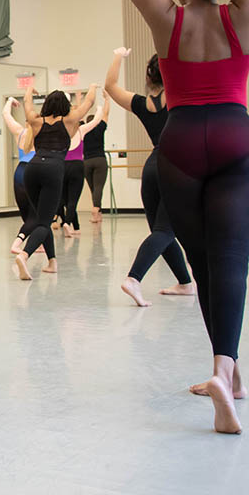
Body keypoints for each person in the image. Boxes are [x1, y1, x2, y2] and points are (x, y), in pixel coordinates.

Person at [112, 0, 249, 434]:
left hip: (180, 144)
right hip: (234, 136)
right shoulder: (243, 12)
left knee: (205, 264)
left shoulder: (167, 18)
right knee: (231, 260)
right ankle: (224, 370)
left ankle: (227, 376)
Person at [104, 48, 196, 306]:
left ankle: (185, 283)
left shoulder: (142, 104)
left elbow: (110, 86)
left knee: (161, 231)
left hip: (152, 165)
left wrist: (118, 55)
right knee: (165, 230)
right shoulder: (180, 96)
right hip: (176, 165)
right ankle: (134, 278)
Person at [13, 84, 96, 280]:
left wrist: (29, 90)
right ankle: (24, 255)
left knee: (43, 218)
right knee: (44, 221)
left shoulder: (35, 120)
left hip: (32, 168)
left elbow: (26, 104)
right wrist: (91, 87)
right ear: (65, 106)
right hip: (53, 168)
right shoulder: (70, 120)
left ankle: (52, 262)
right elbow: (89, 102)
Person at [58, 97, 105, 238]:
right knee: (73, 200)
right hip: (77, 166)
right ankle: (67, 223)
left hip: (62, 166)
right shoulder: (81, 130)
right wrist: (99, 109)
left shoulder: (60, 130)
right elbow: (96, 121)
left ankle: (76, 227)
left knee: (66, 200)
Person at [2, 97, 35, 251]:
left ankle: (37, 241)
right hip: (34, 171)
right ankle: (19, 241)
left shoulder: (20, 132)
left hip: (19, 171)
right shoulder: (43, 134)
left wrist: (10, 101)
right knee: (38, 213)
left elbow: (6, 114)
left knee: (26, 212)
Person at [82, 94, 111, 223]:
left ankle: (98, 214)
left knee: (93, 189)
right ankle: (95, 210)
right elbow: (106, 114)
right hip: (100, 160)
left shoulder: (83, 130)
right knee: (99, 187)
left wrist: (80, 99)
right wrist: (107, 99)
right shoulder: (100, 128)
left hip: (86, 162)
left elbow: (80, 115)